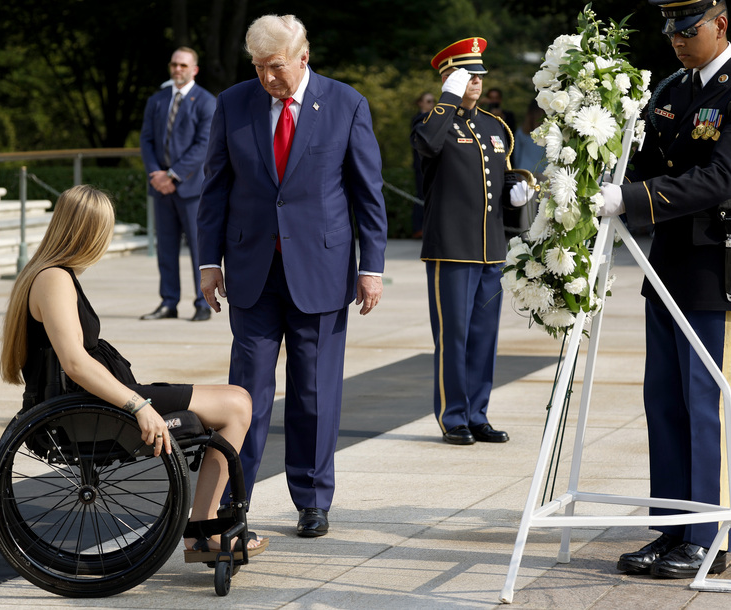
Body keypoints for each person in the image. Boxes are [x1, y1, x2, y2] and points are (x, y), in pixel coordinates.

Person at [599, 0, 731, 579]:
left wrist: (633, 199)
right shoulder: (674, 89)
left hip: (720, 264)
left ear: (720, 25)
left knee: (710, 402)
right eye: (669, 28)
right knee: (667, 401)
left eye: (687, 28)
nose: (675, 38)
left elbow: (723, 176)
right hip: (671, 263)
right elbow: (652, 160)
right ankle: (675, 527)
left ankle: (710, 535)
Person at [0, 185, 266, 559]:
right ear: (88, 232)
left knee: (237, 399)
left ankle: (202, 526)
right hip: (86, 410)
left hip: (92, 400)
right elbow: (74, 362)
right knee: (237, 406)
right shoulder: (53, 279)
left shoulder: (50, 274)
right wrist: (138, 404)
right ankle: (202, 529)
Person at [198, 14, 388, 537]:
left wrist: (371, 268)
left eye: (275, 67)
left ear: (303, 57)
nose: (266, 79)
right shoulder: (234, 102)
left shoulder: (345, 104)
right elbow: (215, 187)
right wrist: (209, 262)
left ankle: (312, 498)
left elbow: (367, 193)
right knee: (246, 395)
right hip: (251, 271)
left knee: (315, 392)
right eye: (258, 68)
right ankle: (237, 497)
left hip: (322, 271)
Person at [412, 38, 532, 446]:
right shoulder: (435, 123)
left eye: (479, 75)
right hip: (451, 248)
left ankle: (478, 413)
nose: (476, 82)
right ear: (447, 78)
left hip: (490, 250)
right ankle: (454, 416)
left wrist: (522, 188)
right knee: (455, 336)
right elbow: (427, 145)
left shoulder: (494, 127)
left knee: (484, 336)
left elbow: (504, 175)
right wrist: (446, 99)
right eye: (466, 75)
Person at [139, 47, 215, 322]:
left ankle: (202, 303)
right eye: (174, 64)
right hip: (161, 189)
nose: (177, 69)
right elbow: (146, 140)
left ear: (194, 69)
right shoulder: (157, 101)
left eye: (183, 65)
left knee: (199, 248)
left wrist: (172, 175)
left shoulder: (206, 102)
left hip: (192, 189)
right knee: (166, 249)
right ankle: (168, 302)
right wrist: (156, 175)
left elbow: (203, 145)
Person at [410, 92, 436, 239]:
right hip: (420, 165)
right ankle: (418, 228)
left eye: (433, 101)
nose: (431, 104)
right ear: (420, 103)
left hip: (432, 164)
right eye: (428, 101)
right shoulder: (418, 119)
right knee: (421, 195)